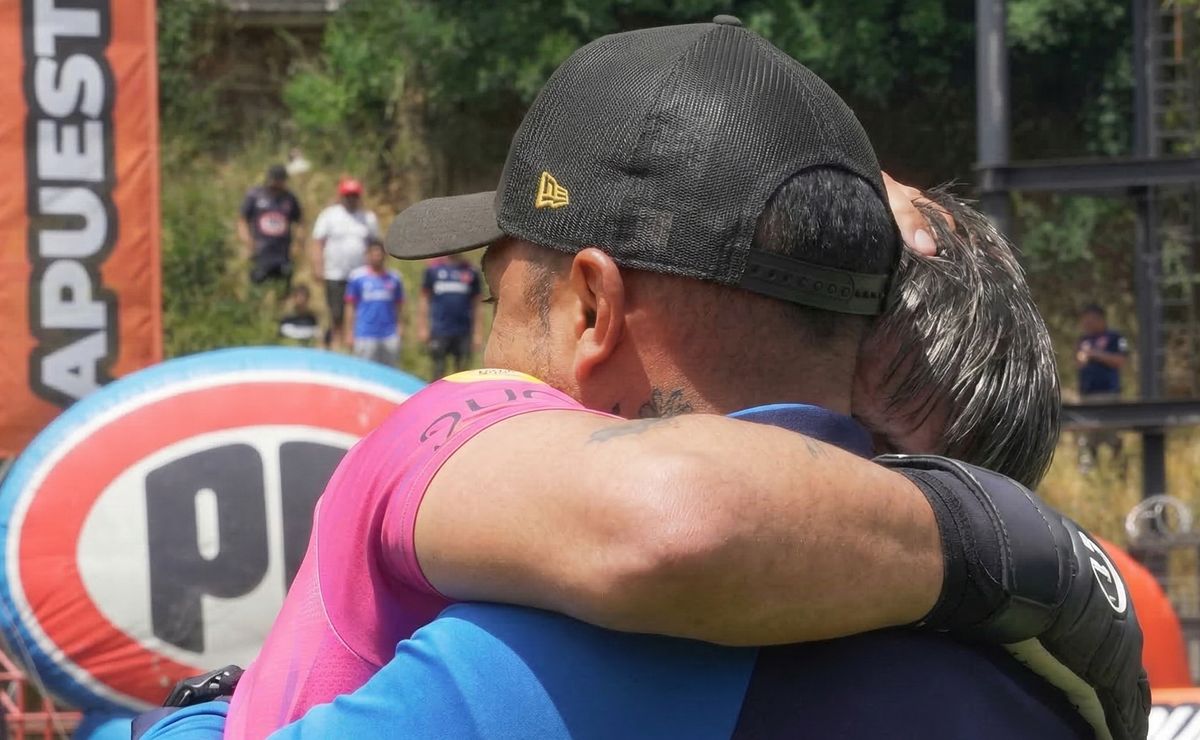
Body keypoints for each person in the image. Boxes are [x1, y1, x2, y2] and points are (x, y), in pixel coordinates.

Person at [154, 18, 1145, 740]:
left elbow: (677, 517)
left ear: (591, 309)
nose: (474, 357)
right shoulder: (1039, 681)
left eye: (502, 299)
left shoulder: (554, 651)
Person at [311, 177, 382, 349]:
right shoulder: (329, 215)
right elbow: (318, 243)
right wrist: (318, 266)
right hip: (335, 273)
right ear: (341, 196)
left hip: (360, 276)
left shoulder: (368, 218)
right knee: (336, 314)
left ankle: (355, 346)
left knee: (359, 313)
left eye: (354, 195)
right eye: (348, 195)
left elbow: (376, 244)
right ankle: (336, 346)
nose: (351, 199)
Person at [1076, 302, 1130, 469]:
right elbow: (1079, 362)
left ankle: (1118, 470)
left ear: (1100, 320)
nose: (1087, 325)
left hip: (1109, 393)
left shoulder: (1116, 337)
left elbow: (1120, 361)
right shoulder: (1084, 340)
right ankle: (1090, 472)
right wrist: (1083, 355)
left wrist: (1095, 354)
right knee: (1089, 437)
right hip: (1087, 395)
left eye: (1090, 321)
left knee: (1112, 435)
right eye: (1085, 321)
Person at [238, 164, 303, 290]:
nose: (277, 183)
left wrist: (298, 244)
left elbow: (300, 221)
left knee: (283, 289)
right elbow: (242, 220)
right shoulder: (255, 195)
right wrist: (247, 241)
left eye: (280, 180)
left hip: (283, 254)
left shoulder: (290, 198)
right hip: (261, 252)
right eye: (275, 179)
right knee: (258, 288)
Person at [420, 256, 484, 378]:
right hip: (440, 331)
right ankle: (438, 397)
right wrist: (423, 327)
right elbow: (424, 299)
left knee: (462, 374)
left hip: (463, 332)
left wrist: (478, 333)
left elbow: (477, 304)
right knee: (438, 372)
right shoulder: (433, 269)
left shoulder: (471, 270)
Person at [345, 240, 404, 366]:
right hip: (365, 334)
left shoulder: (394, 278)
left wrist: (400, 326)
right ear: (367, 255)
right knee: (365, 373)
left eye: (380, 253)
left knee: (391, 373)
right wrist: (350, 331)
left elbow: (399, 305)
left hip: (389, 334)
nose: (377, 257)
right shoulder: (357, 278)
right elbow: (350, 306)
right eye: (374, 253)